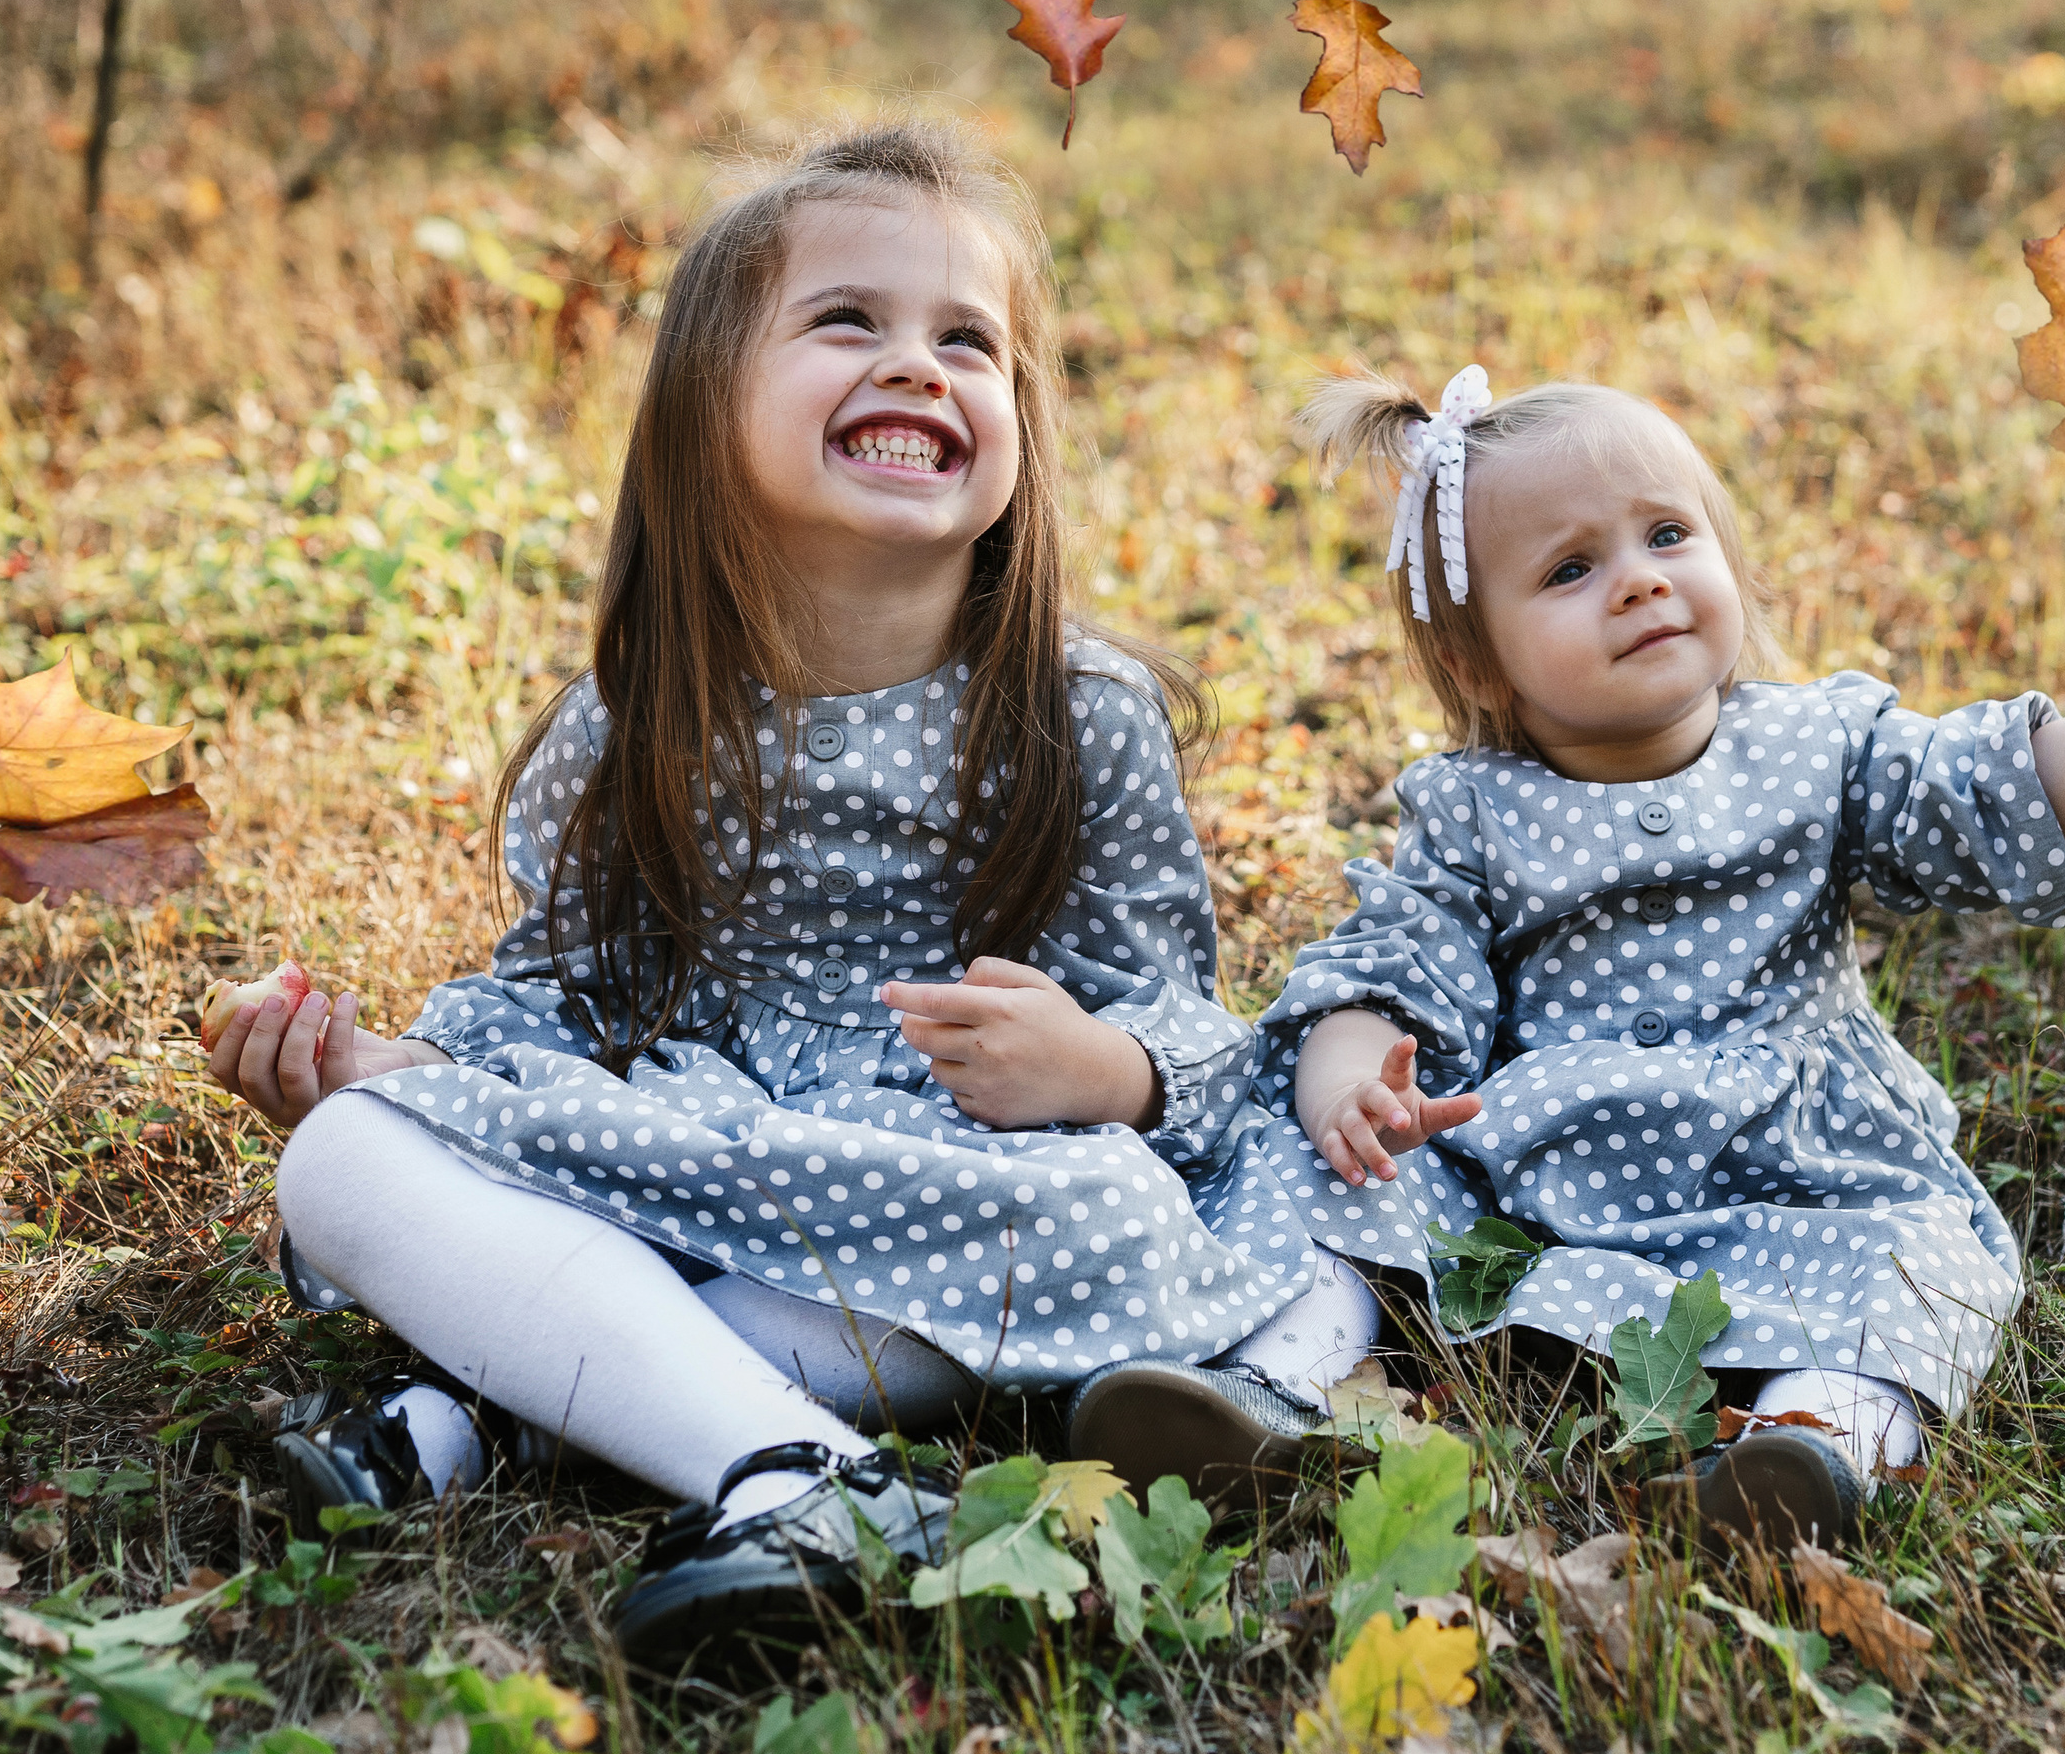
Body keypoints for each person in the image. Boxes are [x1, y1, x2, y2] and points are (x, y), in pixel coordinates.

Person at [204, 119, 1344, 1666]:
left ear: (1017, 431)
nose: (919, 365)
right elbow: (563, 1001)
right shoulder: (633, 719)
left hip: (959, 1184)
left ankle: (525, 1410)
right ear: (706, 406)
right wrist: (386, 1070)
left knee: (1087, 1221)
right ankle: (805, 1477)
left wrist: (1105, 1067)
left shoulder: (1078, 714)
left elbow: (1178, 1021)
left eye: (969, 340)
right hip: (690, 1150)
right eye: (848, 321)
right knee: (345, 1163)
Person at [1079, 366, 2065, 1548]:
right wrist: (1351, 1083)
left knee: (1923, 1251)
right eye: (1571, 567)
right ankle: (1274, 1381)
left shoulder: (1821, 746)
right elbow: (1387, 968)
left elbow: (2011, 791)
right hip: (1536, 1191)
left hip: (1792, 1164)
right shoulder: (1471, 809)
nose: (1637, 581)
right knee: (1312, 1169)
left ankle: (1813, 1437)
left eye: (1666, 535)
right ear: (1479, 661)